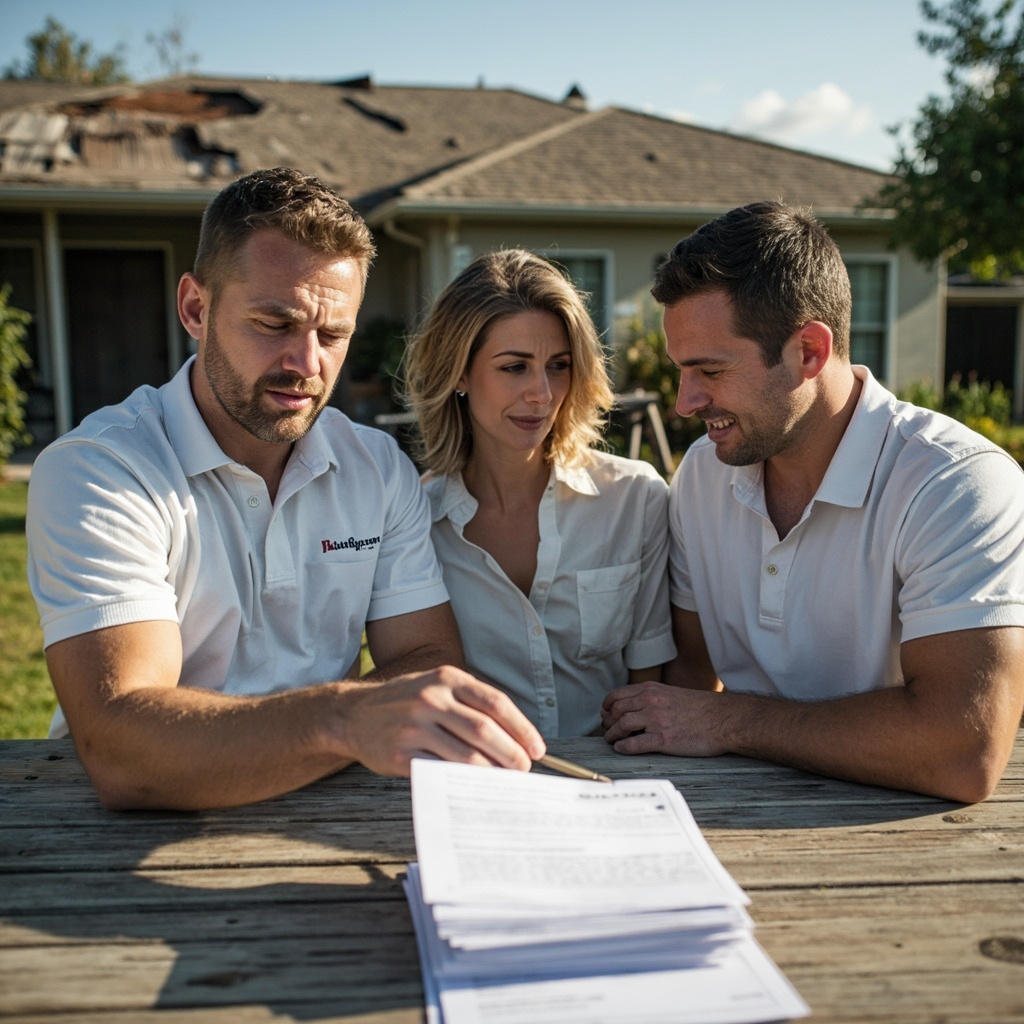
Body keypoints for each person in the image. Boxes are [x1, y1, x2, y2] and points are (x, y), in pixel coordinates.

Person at [26, 167, 544, 812]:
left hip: (330, 804)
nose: (307, 364)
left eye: (333, 335)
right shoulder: (100, 470)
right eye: (274, 323)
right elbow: (126, 750)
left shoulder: (376, 466)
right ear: (195, 308)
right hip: (122, 837)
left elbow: (425, 652)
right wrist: (346, 719)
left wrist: (334, 727)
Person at [601, 200, 1024, 803]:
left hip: (916, 850)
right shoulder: (701, 475)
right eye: (680, 372)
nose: (684, 403)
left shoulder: (955, 484)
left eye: (710, 371)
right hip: (725, 809)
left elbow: (963, 748)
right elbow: (689, 679)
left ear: (809, 352)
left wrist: (730, 723)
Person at [403, 249, 675, 738]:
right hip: (477, 782)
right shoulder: (415, 523)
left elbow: (652, 683)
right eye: (514, 367)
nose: (542, 394)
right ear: (459, 373)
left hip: (612, 782)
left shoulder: (635, 500)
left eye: (558, 366)